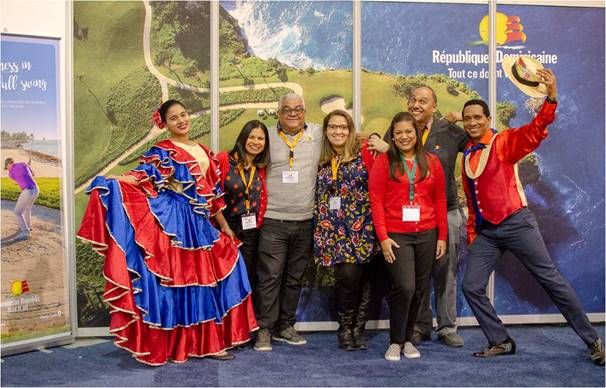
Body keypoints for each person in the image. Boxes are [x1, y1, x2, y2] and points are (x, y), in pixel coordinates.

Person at [77, 100, 258, 365]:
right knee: (182, 283)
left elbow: (212, 197)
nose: (181, 120)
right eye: (174, 118)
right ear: (165, 124)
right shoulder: (162, 151)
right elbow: (141, 176)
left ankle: (211, 343)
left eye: (183, 115)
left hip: (200, 224)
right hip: (175, 221)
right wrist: (114, 180)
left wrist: (226, 226)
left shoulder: (204, 151)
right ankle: (179, 345)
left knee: (206, 279)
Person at [459, 69, 605, 365]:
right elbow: (474, 203)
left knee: (550, 280)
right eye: (468, 118)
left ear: (488, 120)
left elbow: (536, 129)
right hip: (487, 232)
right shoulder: (466, 155)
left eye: (478, 117)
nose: (473, 122)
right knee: (471, 286)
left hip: (516, 223)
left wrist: (551, 97)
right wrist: (474, 236)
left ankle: (594, 341)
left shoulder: (505, 141)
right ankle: (500, 340)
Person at [369, 112, 447, 361]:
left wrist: (442, 236)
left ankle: (408, 339)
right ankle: (395, 341)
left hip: (427, 233)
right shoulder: (384, 161)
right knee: (404, 287)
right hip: (396, 235)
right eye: (399, 132)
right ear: (393, 136)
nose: (404, 136)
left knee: (420, 289)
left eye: (409, 132)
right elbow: (377, 200)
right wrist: (382, 237)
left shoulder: (432, 161)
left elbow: (440, 200)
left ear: (417, 134)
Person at [313, 109, 382, 351]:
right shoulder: (321, 156)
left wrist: (375, 139)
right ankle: (345, 328)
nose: (338, 131)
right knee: (347, 278)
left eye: (343, 127)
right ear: (326, 130)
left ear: (351, 130)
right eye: (333, 127)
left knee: (366, 280)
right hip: (335, 231)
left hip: (364, 227)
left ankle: (358, 329)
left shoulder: (365, 152)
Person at [407, 86, 467, 348]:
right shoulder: (401, 128)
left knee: (445, 272)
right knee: (418, 273)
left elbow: (485, 139)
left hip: (447, 210)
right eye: (413, 100)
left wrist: (464, 117)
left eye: (423, 101)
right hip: (412, 214)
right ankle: (420, 326)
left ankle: (447, 326)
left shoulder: (449, 130)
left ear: (434, 106)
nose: (417, 105)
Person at [216, 120, 270, 290]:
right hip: (225, 230)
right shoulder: (223, 160)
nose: (256, 142)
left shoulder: (259, 167)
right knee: (226, 277)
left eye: (260, 139)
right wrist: (223, 226)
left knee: (246, 278)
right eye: (251, 137)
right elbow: (211, 196)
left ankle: (244, 316)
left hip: (251, 231)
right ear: (243, 137)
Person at [4, 158, 39, 242]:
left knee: (17, 212)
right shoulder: (23, 164)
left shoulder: (10, 174)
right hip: (36, 190)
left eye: (6, 167)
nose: (7, 169)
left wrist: (27, 167)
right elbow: (32, 175)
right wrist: (28, 166)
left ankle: (25, 231)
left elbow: (18, 176)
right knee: (27, 209)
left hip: (28, 191)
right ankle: (28, 227)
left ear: (9, 164)